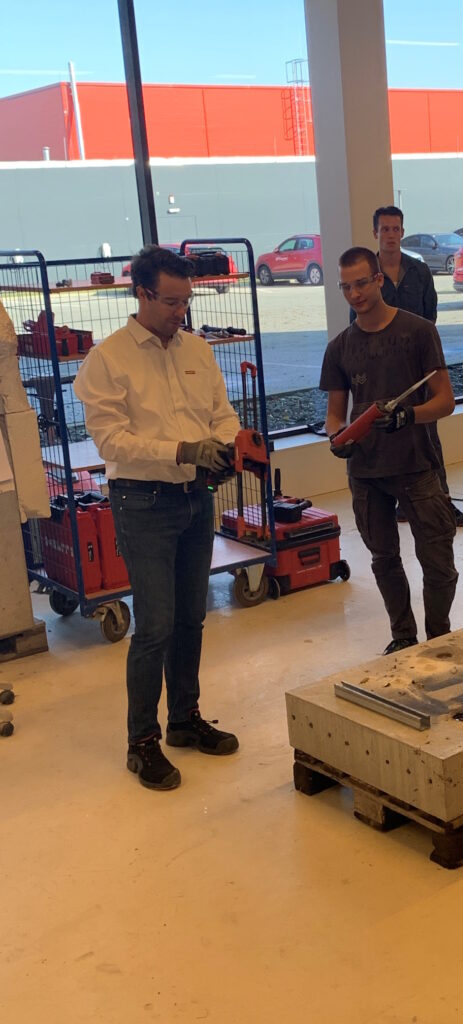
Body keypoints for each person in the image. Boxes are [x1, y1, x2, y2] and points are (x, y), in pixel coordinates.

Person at [74, 245, 241, 791]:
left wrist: (222, 446)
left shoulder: (197, 349)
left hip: (196, 498)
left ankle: (185, 720)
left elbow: (221, 412)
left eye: (186, 301)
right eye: (171, 302)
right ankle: (141, 742)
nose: (180, 311)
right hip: (142, 502)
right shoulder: (108, 360)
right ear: (142, 293)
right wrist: (181, 450)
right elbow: (111, 440)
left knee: (191, 617)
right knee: (155, 626)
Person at [321, 246, 458, 655]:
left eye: (362, 283)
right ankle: (403, 637)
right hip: (366, 473)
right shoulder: (339, 348)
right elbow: (334, 414)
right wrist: (338, 437)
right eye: (346, 287)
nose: (355, 294)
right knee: (384, 559)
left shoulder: (419, 332)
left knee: (438, 561)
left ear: (379, 279)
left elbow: (445, 400)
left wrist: (409, 416)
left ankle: (439, 636)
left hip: (417, 466)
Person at [371, 205, 463, 527]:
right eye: (385, 229)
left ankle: (442, 502)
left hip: (419, 371)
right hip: (382, 372)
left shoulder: (419, 271)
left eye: (395, 229)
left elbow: (430, 319)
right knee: (389, 438)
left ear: (402, 232)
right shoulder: (368, 276)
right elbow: (358, 324)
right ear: (375, 233)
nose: (390, 235)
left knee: (427, 436)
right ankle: (400, 504)